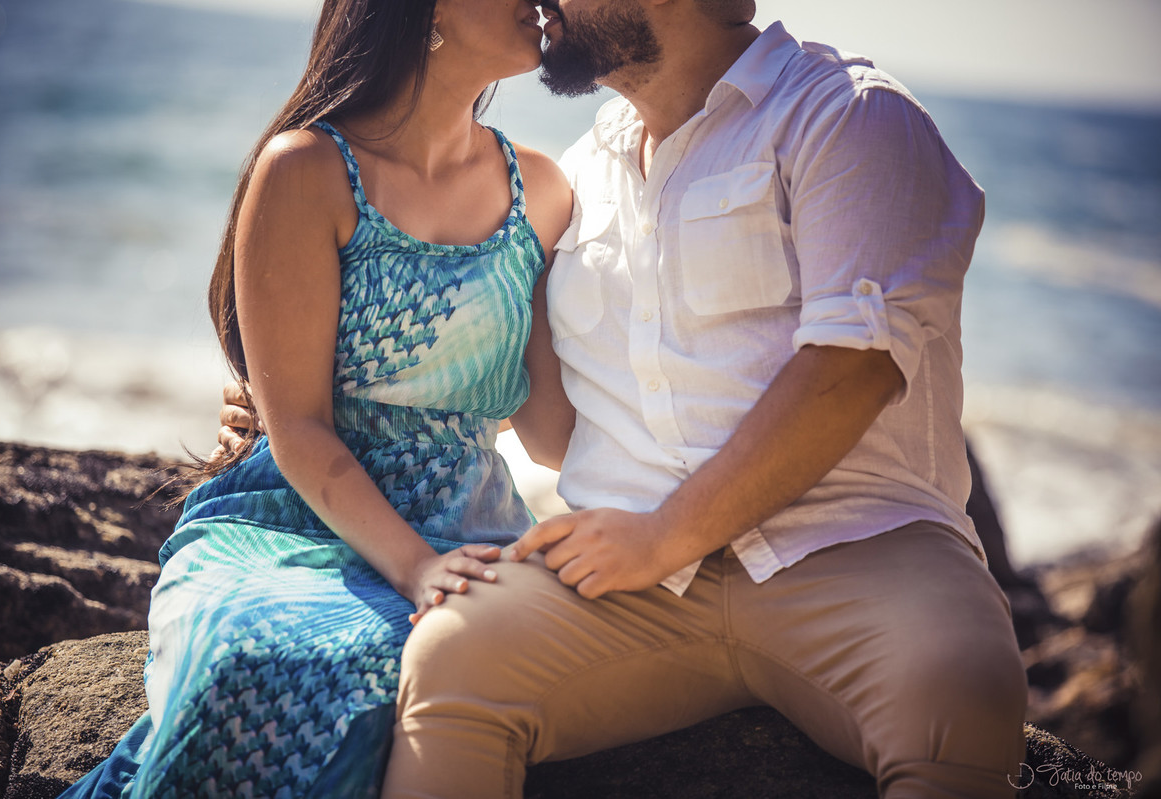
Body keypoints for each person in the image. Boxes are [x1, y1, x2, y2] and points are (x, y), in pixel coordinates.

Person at [377, 0, 1029, 797]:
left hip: (859, 554)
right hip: (629, 587)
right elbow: (549, 429)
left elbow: (852, 369)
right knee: (452, 650)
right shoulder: (574, 179)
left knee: (959, 686)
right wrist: (323, 393)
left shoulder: (850, 115)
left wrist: (664, 535)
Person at [61, 0, 572, 796]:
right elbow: (297, 426)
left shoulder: (540, 190)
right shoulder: (305, 169)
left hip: (475, 526)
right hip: (297, 521)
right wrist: (418, 568)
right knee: (257, 662)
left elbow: (550, 430)